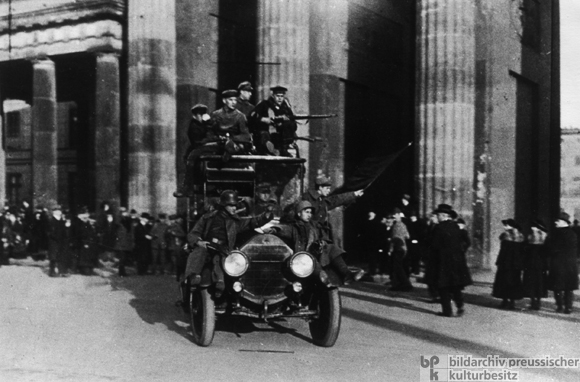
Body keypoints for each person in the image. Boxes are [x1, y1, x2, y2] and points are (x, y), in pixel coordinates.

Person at [184, 190, 274, 296]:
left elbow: (253, 222)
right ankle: (192, 278)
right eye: (231, 205)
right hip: (206, 246)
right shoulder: (207, 218)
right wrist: (199, 242)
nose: (234, 208)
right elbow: (192, 234)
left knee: (223, 259)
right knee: (199, 252)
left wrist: (267, 214)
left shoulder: (235, 222)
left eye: (235, 205)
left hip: (222, 250)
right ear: (224, 205)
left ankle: (220, 284)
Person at [275, 201, 364, 285]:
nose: (309, 215)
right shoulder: (293, 227)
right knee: (312, 261)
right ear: (299, 213)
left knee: (332, 248)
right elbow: (283, 230)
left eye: (310, 212)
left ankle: (347, 274)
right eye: (306, 212)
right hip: (301, 258)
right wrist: (273, 229)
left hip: (317, 253)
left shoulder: (315, 225)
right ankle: (324, 279)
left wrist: (323, 242)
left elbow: (325, 237)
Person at [430, 204, 472, 317]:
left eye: (438, 215)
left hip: (442, 261)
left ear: (443, 216)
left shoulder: (439, 228)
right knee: (455, 285)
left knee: (443, 286)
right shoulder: (456, 226)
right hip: (456, 261)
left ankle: (447, 311)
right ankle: (460, 306)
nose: (437, 217)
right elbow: (463, 243)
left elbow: (434, 245)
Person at [302, 174, 363, 243]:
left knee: (335, 251)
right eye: (327, 188)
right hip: (308, 235)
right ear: (320, 187)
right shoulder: (307, 198)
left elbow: (337, 199)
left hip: (319, 236)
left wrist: (354, 194)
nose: (329, 190)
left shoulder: (322, 200)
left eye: (329, 188)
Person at [174, 104, 217, 197]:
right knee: (191, 161)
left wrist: (209, 123)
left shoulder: (205, 124)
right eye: (200, 114)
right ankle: (188, 188)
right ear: (194, 116)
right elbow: (197, 142)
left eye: (203, 114)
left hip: (207, 147)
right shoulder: (193, 126)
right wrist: (209, 139)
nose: (202, 117)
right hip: (198, 148)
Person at [249, 85, 297, 156]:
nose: (280, 98)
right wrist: (263, 119)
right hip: (267, 133)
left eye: (282, 96)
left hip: (281, 136)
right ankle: (270, 149)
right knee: (264, 136)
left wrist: (285, 122)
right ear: (273, 95)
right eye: (277, 96)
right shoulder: (265, 104)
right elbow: (251, 116)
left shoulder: (286, 108)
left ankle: (284, 149)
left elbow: (294, 124)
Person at [546, 212, 579, 314]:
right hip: (570, 264)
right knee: (568, 287)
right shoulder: (572, 233)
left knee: (558, 286)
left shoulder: (557, 234)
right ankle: (568, 307)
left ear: (564, 222)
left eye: (558, 220)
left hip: (559, 264)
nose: (555, 222)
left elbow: (553, 249)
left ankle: (560, 306)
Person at [210, 89, 253, 161]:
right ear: (224, 101)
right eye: (230, 100)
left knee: (231, 147)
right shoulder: (215, 114)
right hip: (218, 142)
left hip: (235, 143)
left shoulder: (240, 116)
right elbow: (210, 131)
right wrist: (218, 138)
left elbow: (246, 136)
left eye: (235, 100)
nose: (234, 102)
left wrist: (230, 138)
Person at [492, 218, 525, 309]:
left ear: (510, 226)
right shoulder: (520, 236)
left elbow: (503, 251)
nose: (504, 227)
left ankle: (505, 301)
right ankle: (512, 302)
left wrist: (499, 261)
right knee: (514, 281)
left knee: (504, 281)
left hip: (505, 263)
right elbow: (522, 252)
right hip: (516, 264)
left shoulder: (505, 236)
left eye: (505, 225)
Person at [522, 219, 548, 310]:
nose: (532, 228)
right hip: (534, 264)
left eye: (534, 226)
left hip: (536, 263)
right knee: (533, 282)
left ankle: (537, 301)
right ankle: (534, 301)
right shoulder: (531, 236)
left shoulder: (542, 237)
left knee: (538, 282)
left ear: (538, 227)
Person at [386, 209, 413, 291]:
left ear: (398, 215)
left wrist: (390, 249)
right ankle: (401, 284)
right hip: (403, 248)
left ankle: (404, 284)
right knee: (399, 267)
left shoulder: (396, 225)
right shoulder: (403, 225)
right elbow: (408, 236)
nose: (393, 216)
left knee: (397, 267)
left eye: (395, 215)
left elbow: (395, 239)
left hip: (398, 248)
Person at [359, 211, 385, 275]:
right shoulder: (367, 222)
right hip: (368, 242)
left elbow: (378, 234)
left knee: (373, 257)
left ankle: (372, 270)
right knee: (370, 257)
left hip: (373, 243)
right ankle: (371, 270)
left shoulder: (376, 224)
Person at [47, 205, 67, 277]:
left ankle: (61, 271)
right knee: (53, 257)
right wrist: (56, 238)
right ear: (54, 212)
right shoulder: (51, 220)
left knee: (60, 256)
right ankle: (52, 272)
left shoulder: (61, 220)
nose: (59, 212)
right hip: (54, 242)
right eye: (58, 210)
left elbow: (64, 231)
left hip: (61, 241)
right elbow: (50, 232)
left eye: (60, 210)